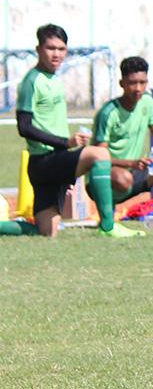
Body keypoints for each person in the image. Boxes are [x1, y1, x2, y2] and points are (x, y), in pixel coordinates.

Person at [8, 24, 143, 238]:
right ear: (38, 49)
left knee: (46, 232)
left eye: (61, 49)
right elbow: (24, 127)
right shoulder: (32, 81)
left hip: (53, 161)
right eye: (51, 48)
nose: (56, 54)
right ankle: (108, 226)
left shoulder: (54, 79)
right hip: (44, 160)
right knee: (99, 153)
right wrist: (66, 142)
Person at [92, 56, 153, 227]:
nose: (138, 88)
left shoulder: (147, 102)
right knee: (122, 178)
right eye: (132, 83)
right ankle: (108, 211)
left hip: (139, 170)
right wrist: (130, 162)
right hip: (112, 176)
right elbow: (98, 157)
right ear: (122, 83)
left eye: (142, 82)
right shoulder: (109, 112)